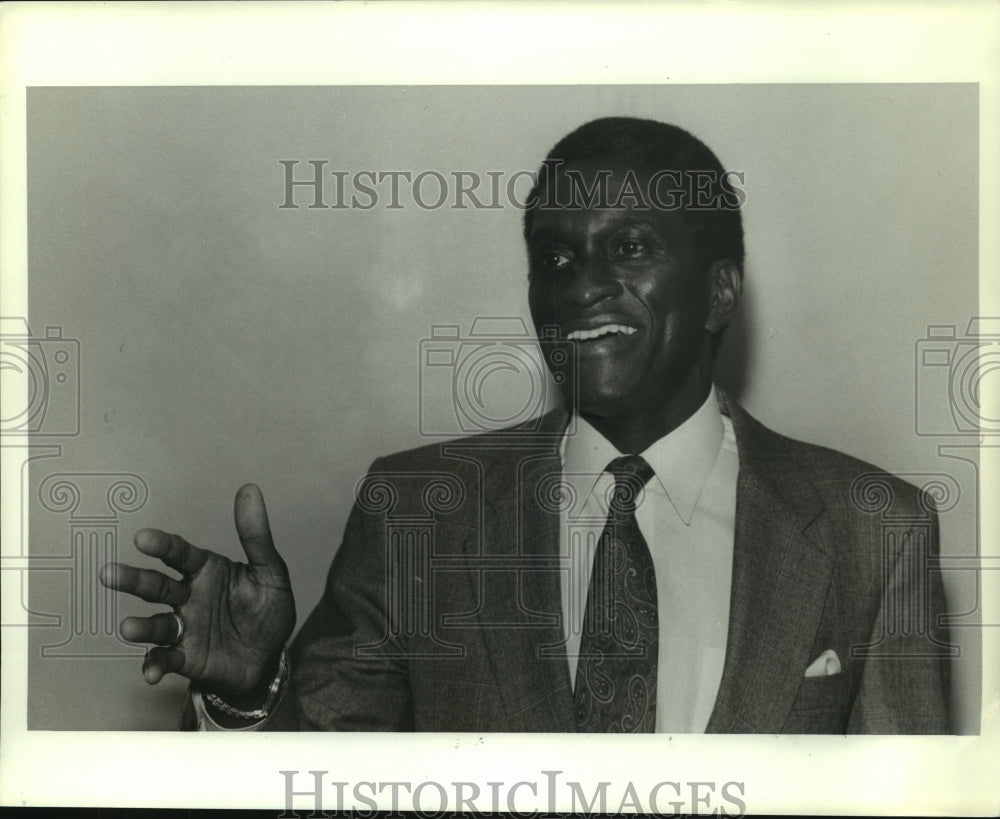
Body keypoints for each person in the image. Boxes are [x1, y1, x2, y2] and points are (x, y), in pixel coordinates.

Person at [100, 117, 951, 733]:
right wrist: (250, 697)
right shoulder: (417, 512)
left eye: (631, 248)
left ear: (719, 292)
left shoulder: (876, 530)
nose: (580, 284)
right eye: (555, 256)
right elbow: (327, 783)